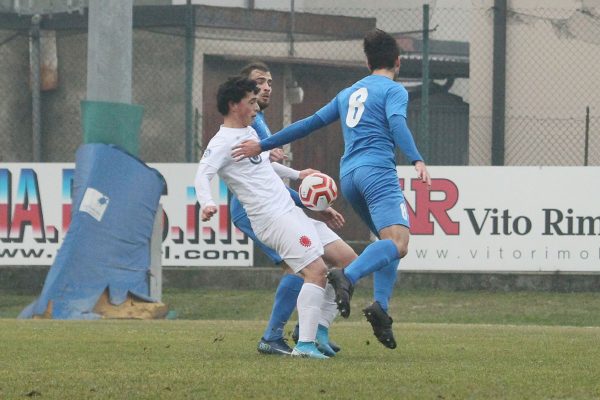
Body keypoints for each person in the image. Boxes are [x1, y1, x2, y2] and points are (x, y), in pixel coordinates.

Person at [231, 29, 432, 349]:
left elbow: (308, 123)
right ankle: (346, 281)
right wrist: (417, 159)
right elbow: (397, 123)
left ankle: (370, 309)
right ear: (397, 61)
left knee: (385, 243)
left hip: (348, 176)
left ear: (367, 62)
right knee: (398, 242)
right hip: (376, 172)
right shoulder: (394, 90)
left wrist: (265, 144)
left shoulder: (348, 92)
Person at [195, 76, 356, 359]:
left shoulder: (250, 134)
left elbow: (265, 167)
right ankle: (304, 346)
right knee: (315, 272)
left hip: (290, 212)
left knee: (349, 260)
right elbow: (203, 174)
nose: (257, 108)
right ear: (234, 105)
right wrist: (207, 202)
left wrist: (298, 175)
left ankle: (318, 327)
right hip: (272, 219)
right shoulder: (221, 142)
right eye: (252, 102)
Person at [232, 62, 344, 356]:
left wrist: (303, 196)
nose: (267, 86)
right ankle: (279, 335)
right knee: (302, 266)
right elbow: (259, 174)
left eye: (269, 81)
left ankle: (307, 329)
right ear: (244, 88)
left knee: (316, 263)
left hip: (274, 203)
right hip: (253, 208)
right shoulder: (247, 122)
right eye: (259, 81)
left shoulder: (260, 120)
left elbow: (269, 173)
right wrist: (298, 184)